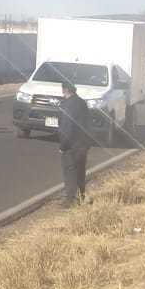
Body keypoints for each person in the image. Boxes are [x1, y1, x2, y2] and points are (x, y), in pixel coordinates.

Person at [57, 79, 93, 207]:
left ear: (64, 90)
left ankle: (71, 200)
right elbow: (89, 124)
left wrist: (63, 146)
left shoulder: (67, 106)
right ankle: (81, 196)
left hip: (72, 146)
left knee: (70, 172)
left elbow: (67, 128)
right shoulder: (82, 103)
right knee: (80, 171)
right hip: (83, 144)